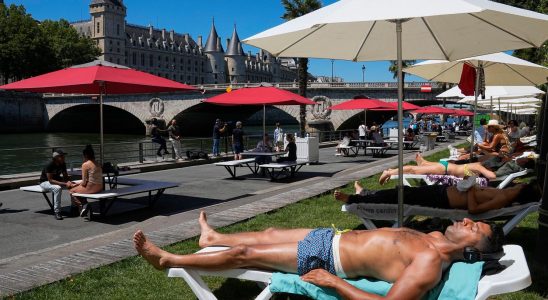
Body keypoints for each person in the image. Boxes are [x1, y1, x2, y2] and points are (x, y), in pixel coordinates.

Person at [134, 211, 504, 299]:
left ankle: (168, 260)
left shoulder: (430, 264)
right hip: (334, 237)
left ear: (471, 247)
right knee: (269, 233)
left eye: (475, 228)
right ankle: (212, 236)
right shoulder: (436, 235)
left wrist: (334, 283)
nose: (468, 221)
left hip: (329, 259)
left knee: (246, 254)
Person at [337, 180, 540, 214]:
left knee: (400, 197)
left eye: (525, 185)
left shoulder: (504, 199)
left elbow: (474, 210)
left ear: (523, 191)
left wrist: (470, 190)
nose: (522, 183)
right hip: (442, 191)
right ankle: (365, 194)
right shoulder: (504, 193)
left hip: (441, 200)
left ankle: (354, 200)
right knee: (401, 191)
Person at [378, 153, 498, 184]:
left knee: (418, 168)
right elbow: (492, 176)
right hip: (444, 169)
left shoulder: (475, 167)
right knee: (413, 170)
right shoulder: (478, 166)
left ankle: (423, 162)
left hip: (446, 167)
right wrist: (491, 172)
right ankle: (389, 172)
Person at [69, 145, 103, 219]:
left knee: (72, 191)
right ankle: (85, 207)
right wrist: (77, 184)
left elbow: (84, 183)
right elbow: (88, 180)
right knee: (78, 189)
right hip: (100, 187)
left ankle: (83, 206)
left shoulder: (85, 165)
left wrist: (74, 185)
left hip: (91, 187)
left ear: (85, 155)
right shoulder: (97, 163)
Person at [39, 149, 75, 220]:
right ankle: (57, 211)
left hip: (57, 180)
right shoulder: (50, 165)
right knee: (57, 188)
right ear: (56, 157)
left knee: (73, 186)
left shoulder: (63, 164)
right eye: (62, 156)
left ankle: (74, 207)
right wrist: (64, 183)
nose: (64, 157)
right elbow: (50, 180)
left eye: (63, 156)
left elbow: (65, 176)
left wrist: (69, 182)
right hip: (45, 182)